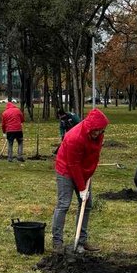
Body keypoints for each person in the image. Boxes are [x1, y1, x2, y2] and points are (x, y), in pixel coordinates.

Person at [51, 107, 108, 254]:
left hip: (84, 171)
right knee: (64, 204)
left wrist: (88, 175)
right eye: (96, 130)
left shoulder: (99, 135)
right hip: (66, 169)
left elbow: (93, 156)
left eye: (100, 130)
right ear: (89, 127)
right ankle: (57, 242)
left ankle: (81, 240)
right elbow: (73, 165)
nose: (98, 133)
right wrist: (82, 188)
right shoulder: (74, 137)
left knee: (86, 204)